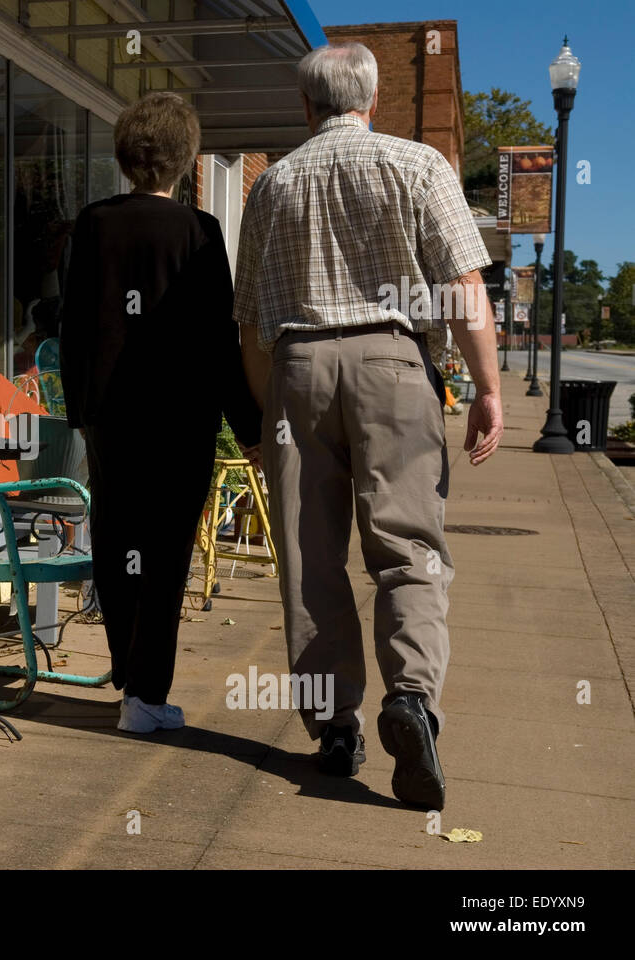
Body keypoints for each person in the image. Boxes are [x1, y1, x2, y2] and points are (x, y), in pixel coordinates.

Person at [233, 43, 503, 808]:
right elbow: (462, 283)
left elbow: (251, 323)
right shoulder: (419, 166)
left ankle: (335, 726)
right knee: (407, 547)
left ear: (305, 106)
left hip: (298, 368)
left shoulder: (272, 185)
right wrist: (487, 386)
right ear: (373, 103)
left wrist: (267, 413)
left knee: (310, 557)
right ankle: (411, 699)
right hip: (394, 359)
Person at [59, 91, 262, 734]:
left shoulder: (93, 223)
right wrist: (251, 425)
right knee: (166, 553)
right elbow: (218, 341)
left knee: (118, 542)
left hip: (111, 415)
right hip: (181, 415)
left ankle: (129, 677)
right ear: (185, 160)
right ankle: (146, 693)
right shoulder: (201, 232)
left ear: (126, 158)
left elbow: (74, 324)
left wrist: (77, 406)